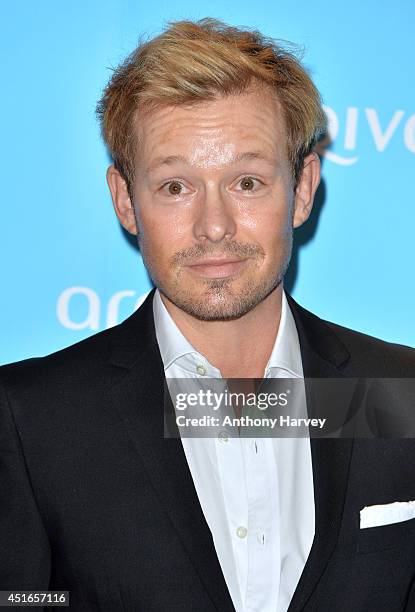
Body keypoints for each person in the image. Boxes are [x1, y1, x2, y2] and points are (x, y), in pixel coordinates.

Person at [1, 17, 415, 612]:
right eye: (175, 187)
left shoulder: (399, 396)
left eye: (246, 181)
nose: (213, 226)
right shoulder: (31, 418)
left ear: (301, 190)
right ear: (125, 200)